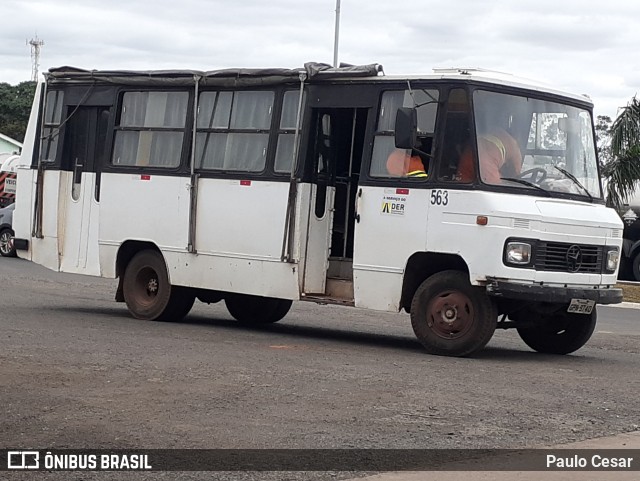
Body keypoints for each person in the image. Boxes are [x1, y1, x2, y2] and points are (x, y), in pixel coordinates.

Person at [457, 128, 522, 184]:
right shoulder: (514, 146)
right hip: (483, 160)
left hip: (470, 153)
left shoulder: (496, 130)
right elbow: (517, 176)